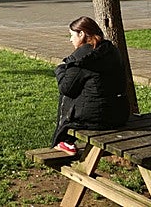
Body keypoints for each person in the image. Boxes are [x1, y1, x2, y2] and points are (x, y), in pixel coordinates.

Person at [52, 16, 130, 155]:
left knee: (67, 96)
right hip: (120, 114)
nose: (70, 40)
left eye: (72, 35)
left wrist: (60, 70)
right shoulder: (111, 50)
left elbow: (66, 88)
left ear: (81, 34)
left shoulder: (81, 58)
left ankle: (64, 140)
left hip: (97, 119)